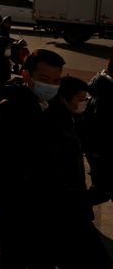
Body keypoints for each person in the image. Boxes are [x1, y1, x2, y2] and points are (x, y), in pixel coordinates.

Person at [0, 49, 66, 268]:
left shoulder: (52, 107)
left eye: (56, 80)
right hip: (14, 207)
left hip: (40, 208)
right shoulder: (11, 108)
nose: (51, 85)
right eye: (44, 79)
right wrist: (23, 173)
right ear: (26, 76)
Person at [44, 77, 112, 269]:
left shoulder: (71, 118)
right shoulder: (54, 125)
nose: (85, 102)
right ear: (64, 99)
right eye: (81, 99)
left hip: (71, 204)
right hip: (64, 207)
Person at [84, 55, 113, 205]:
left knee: (102, 190)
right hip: (103, 151)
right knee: (102, 191)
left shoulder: (102, 83)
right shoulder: (107, 90)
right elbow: (102, 124)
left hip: (99, 150)